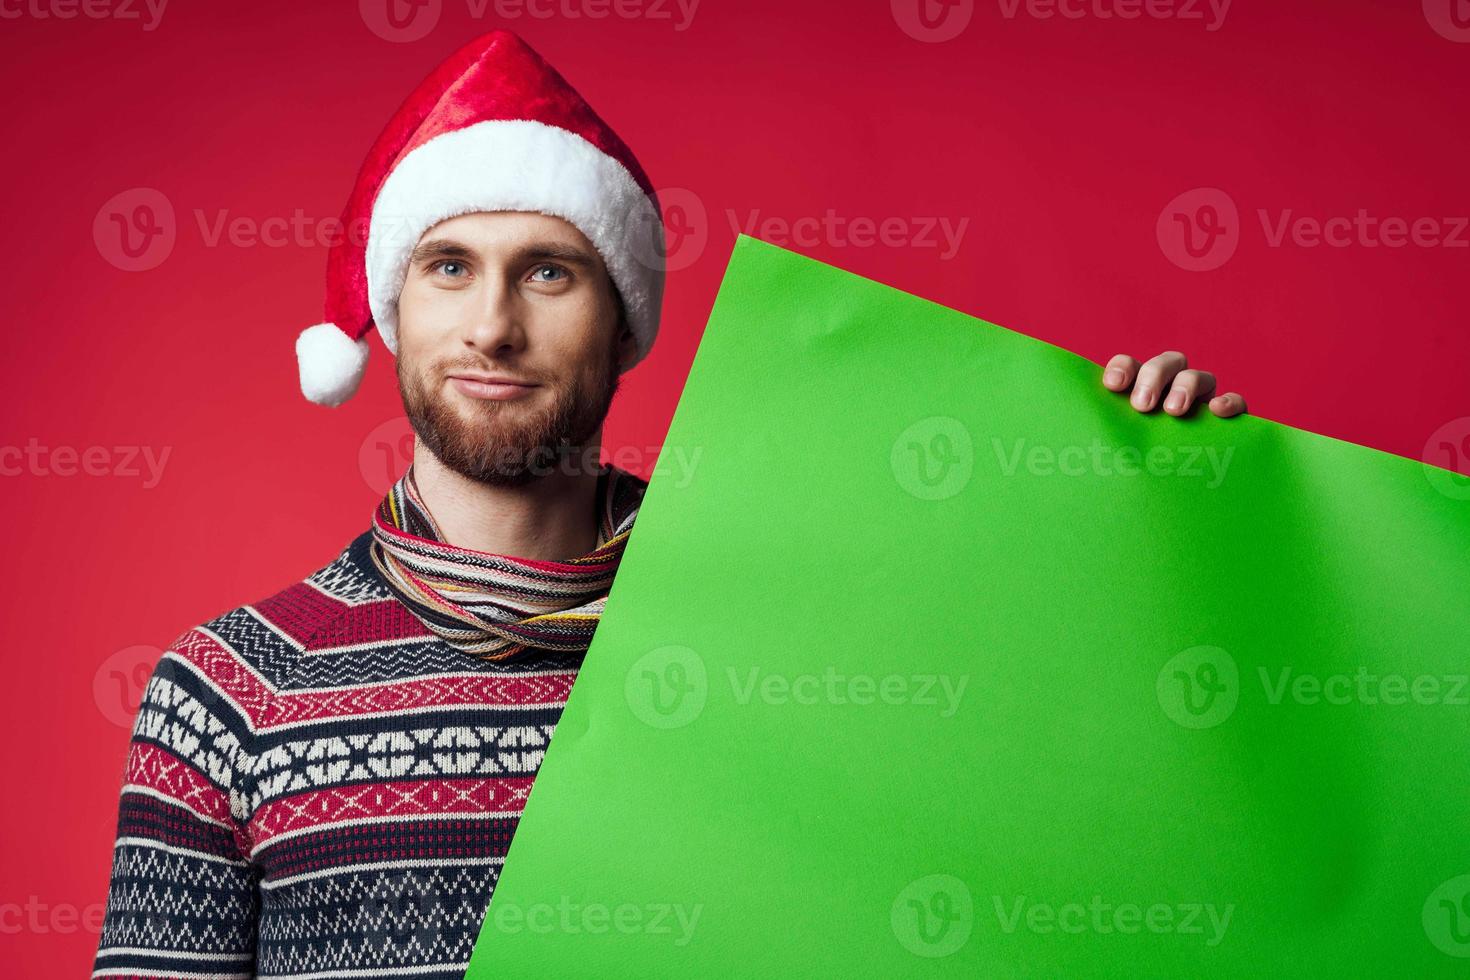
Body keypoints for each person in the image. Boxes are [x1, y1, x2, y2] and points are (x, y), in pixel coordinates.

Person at [91, 29, 1246, 980]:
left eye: (550, 268)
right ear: (394, 306)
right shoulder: (230, 692)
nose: (493, 324)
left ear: (624, 318)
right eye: (450, 266)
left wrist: (1155, 506)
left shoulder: (797, 633)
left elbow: (1061, 812)